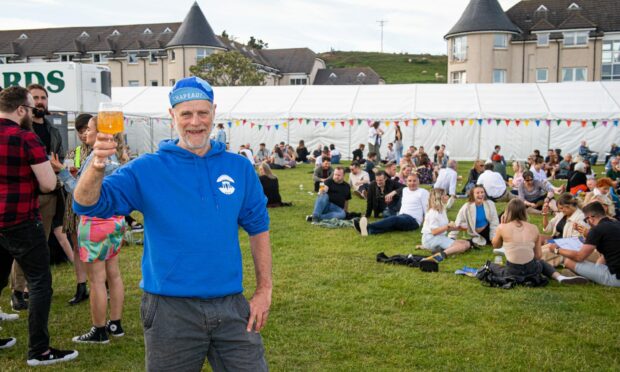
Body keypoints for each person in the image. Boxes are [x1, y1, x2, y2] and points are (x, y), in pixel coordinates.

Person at [73, 77, 272, 370]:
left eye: (202, 113)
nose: (195, 122)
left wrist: (264, 290)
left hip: (232, 306)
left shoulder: (238, 167)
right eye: (186, 114)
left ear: (214, 112)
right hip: (169, 310)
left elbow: (258, 227)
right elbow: (86, 203)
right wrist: (96, 164)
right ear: (172, 116)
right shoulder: (147, 169)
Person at [0, 86, 78, 365]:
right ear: (21, 110)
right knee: (40, 283)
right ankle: (39, 351)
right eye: (32, 109)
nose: (33, 113)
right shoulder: (26, 138)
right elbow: (47, 183)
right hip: (21, 220)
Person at [51, 116, 128, 343]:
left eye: (90, 130)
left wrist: (61, 173)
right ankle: (115, 324)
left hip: (94, 222)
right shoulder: (115, 156)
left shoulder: (97, 157)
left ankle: (99, 330)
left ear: (103, 133)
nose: (86, 134)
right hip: (115, 221)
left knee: (96, 280)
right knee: (113, 274)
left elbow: (81, 194)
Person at [9, 84, 66, 312]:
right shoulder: (23, 131)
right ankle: (17, 291)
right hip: (26, 197)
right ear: (27, 105)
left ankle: (33, 289)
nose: (40, 102)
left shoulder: (53, 130)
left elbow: (60, 157)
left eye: (43, 97)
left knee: (40, 245)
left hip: (49, 195)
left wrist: (59, 166)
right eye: (36, 98)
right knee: (22, 247)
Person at [490, 199, 584, 285]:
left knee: (489, 266)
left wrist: (501, 226)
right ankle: (559, 277)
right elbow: (538, 256)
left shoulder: (502, 227)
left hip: (512, 271)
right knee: (541, 262)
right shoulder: (534, 228)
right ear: (524, 212)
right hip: (531, 271)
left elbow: (496, 245)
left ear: (508, 212)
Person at [552, 202, 620, 286]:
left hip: (616, 278)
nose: (587, 222)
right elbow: (608, 251)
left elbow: (579, 257)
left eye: (585, 220)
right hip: (614, 270)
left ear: (591, 217)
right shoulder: (616, 224)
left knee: (569, 261)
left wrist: (557, 250)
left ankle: (584, 277)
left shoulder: (597, 230)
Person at [63, 113, 92, 305]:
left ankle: (102, 283)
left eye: (87, 130)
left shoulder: (103, 152)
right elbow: (66, 183)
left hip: (93, 206)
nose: (83, 134)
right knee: (77, 247)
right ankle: (81, 286)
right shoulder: (74, 154)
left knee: (95, 248)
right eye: (80, 131)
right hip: (74, 204)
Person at [354, 174, 428, 236]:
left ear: (418, 182)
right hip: (401, 216)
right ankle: (370, 231)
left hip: (413, 221)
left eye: (414, 181)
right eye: (410, 181)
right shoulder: (405, 190)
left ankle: (367, 227)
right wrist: (393, 193)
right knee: (390, 224)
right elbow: (400, 188)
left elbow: (427, 210)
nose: (412, 183)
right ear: (406, 182)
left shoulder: (422, 192)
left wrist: (425, 227)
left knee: (393, 219)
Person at [418, 189, 473, 270]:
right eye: (445, 195)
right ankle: (440, 255)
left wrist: (459, 228)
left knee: (467, 243)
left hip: (439, 238)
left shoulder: (442, 210)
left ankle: (439, 250)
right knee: (461, 246)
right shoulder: (433, 212)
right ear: (439, 198)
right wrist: (448, 226)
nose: (447, 197)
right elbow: (434, 232)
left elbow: (444, 227)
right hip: (431, 239)